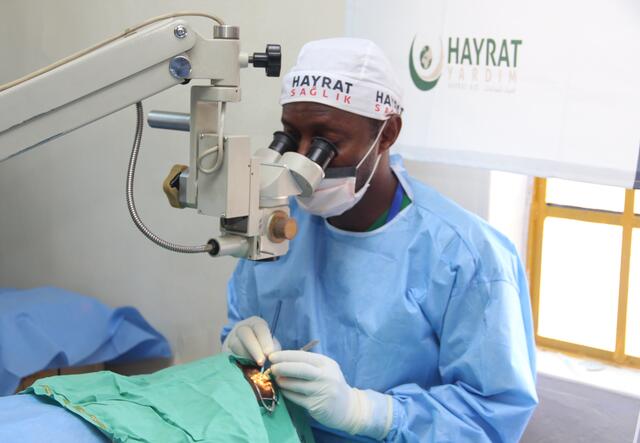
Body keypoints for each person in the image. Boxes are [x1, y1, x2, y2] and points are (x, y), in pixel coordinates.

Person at [221, 38, 538, 442]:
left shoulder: (467, 255)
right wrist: (239, 352)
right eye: (290, 137)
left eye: (325, 144)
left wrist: (371, 414)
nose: (301, 160)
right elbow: (242, 340)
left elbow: (492, 416)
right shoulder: (276, 224)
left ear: (387, 134)